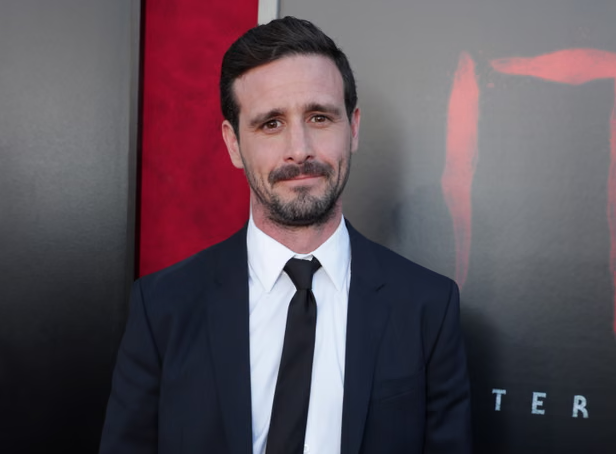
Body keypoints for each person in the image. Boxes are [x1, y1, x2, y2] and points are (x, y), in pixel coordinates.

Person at [100, 16, 471, 454]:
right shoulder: (162, 308)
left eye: (319, 117)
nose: (299, 149)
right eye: (271, 124)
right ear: (234, 144)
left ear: (353, 128)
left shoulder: (429, 307)